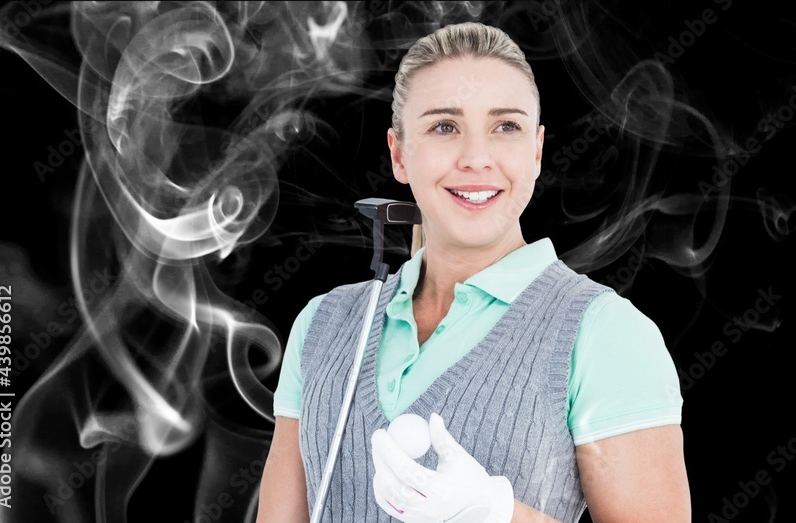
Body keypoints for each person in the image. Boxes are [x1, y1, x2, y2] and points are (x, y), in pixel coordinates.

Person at [257, 21, 690, 523]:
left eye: (505, 126)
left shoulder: (608, 335)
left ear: (536, 150)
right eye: (445, 126)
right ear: (399, 153)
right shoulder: (323, 325)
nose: (476, 158)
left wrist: (498, 512)